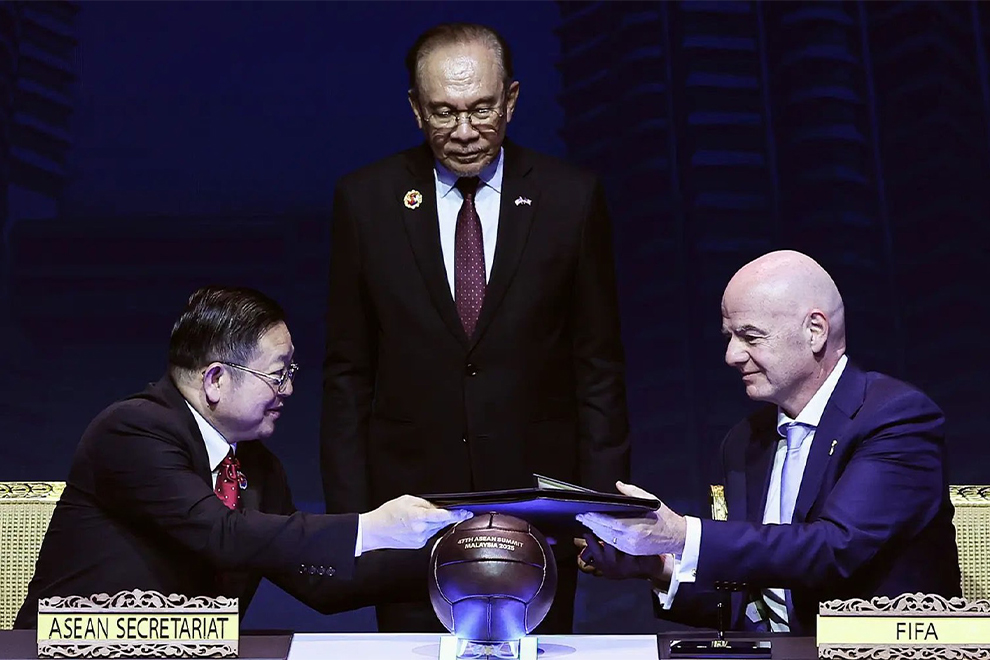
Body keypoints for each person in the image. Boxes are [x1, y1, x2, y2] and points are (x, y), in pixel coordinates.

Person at [320, 22, 629, 633]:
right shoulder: (366, 201)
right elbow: (347, 373)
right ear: (415, 109)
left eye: (482, 109)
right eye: (443, 113)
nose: (464, 132)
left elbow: (598, 368)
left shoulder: (572, 199)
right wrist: (352, 522)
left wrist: (600, 511)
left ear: (511, 99)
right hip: (407, 510)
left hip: (539, 509)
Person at [15, 286, 468, 629]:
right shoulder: (133, 429)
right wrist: (371, 525)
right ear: (215, 379)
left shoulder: (257, 466)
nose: (289, 389)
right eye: (277, 374)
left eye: (290, 373)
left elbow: (318, 579)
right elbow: (220, 533)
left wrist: (461, 566)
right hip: (80, 645)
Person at [576, 250, 960, 635]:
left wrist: (683, 534)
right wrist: (655, 564)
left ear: (815, 331)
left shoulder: (896, 417)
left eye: (750, 336)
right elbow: (752, 598)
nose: (731, 355)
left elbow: (836, 550)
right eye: (729, 336)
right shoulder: (746, 440)